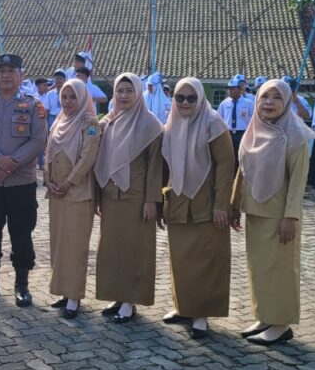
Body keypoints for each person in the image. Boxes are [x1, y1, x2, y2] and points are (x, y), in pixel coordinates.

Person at [230, 78, 314, 345]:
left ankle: (281, 324)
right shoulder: (254, 130)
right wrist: (234, 204)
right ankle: (265, 316)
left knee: (280, 270)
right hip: (255, 211)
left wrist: (291, 217)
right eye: (265, 97)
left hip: (279, 216)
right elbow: (242, 171)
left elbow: (298, 182)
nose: (269, 102)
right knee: (259, 269)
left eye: (277, 97)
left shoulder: (295, 136)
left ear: (287, 101)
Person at [0, 53, 49, 306]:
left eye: (11, 71)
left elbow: (38, 140)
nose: (5, 75)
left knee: (22, 233)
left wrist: (11, 164)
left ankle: (21, 285)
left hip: (21, 182)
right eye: (1, 71)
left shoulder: (33, 105)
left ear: (21, 75)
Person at [160, 77, 234, 338]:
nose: (185, 103)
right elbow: (165, 166)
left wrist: (222, 205)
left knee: (206, 260)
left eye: (191, 98)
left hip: (206, 203)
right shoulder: (172, 123)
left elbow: (226, 165)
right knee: (181, 260)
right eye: (180, 97)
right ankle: (185, 307)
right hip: (179, 202)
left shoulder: (213, 123)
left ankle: (201, 314)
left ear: (201, 98)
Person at [94, 73, 164, 324]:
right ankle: (117, 296)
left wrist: (151, 200)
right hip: (111, 195)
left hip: (137, 197)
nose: (123, 96)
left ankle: (130, 301)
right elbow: (100, 160)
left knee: (135, 250)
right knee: (112, 249)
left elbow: (155, 167)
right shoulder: (109, 122)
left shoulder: (150, 124)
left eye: (129, 91)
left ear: (139, 93)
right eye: (119, 91)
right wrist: (98, 196)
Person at [44, 79, 101, 319]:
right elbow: (47, 152)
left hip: (78, 193)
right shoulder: (59, 120)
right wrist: (47, 180)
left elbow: (88, 156)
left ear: (83, 98)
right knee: (58, 244)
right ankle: (62, 291)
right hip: (56, 193)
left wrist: (69, 182)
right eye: (64, 97)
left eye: (73, 97)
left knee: (75, 246)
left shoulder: (90, 123)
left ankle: (74, 296)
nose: (67, 102)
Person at [217, 77, 253, 167]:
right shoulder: (224, 103)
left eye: (233, 88)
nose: (230, 91)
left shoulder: (249, 103)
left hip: (243, 133)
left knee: (242, 156)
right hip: (228, 134)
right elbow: (219, 119)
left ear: (240, 89)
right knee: (229, 156)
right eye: (229, 88)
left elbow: (253, 119)